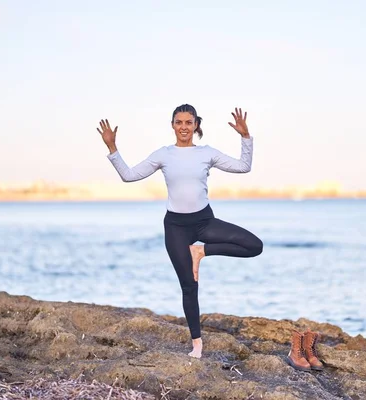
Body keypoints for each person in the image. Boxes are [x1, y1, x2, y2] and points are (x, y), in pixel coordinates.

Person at [97, 104, 263, 358]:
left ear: (196, 125)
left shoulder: (207, 153)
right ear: (173, 125)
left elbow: (243, 166)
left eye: (188, 122)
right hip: (176, 227)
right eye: (179, 122)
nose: (184, 127)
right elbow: (129, 176)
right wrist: (112, 148)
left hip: (204, 222)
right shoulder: (164, 154)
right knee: (189, 286)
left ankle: (201, 251)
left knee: (254, 246)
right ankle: (197, 343)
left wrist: (245, 137)